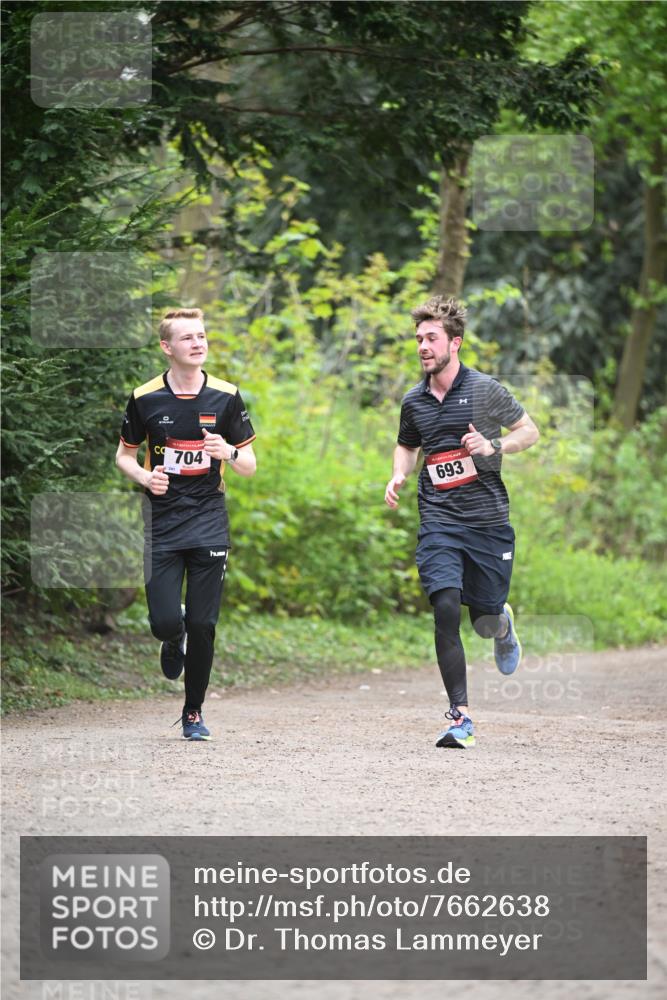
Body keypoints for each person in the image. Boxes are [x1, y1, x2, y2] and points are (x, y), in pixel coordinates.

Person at [384, 296, 539, 749]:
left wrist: (494, 447)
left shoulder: (485, 390)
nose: (423, 347)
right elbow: (407, 445)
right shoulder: (414, 400)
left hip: (487, 522)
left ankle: (502, 624)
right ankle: (460, 717)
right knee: (446, 606)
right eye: (418, 339)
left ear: (455, 342)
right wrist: (398, 472)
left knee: (483, 619)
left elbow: (529, 431)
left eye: (431, 338)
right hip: (439, 518)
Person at [115, 308, 256, 741]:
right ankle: (170, 634)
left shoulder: (226, 396)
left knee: (204, 624)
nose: (198, 343)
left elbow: (249, 464)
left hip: (209, 518)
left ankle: (193, 711)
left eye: (202, 336)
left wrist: (227, 452)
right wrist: (145, 476)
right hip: (162, 521)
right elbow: (124, 456)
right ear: (167, 347)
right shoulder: (145, 398)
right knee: (164, 621)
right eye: (188, 338)